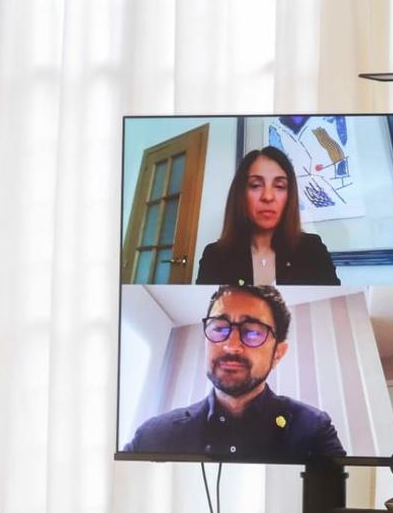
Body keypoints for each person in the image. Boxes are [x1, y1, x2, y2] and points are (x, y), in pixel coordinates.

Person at [124, 285, 346, 458]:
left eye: (252, 332)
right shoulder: (154, 435)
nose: (231, 346)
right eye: (219, 329)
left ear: (278, 353)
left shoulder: (313, 429)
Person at [195, 146, 340, 286]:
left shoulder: (313, 251)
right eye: (256, 185)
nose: (268, 196)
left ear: (289, 196)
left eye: (279, 186)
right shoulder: (214, 256)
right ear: (241, 193)